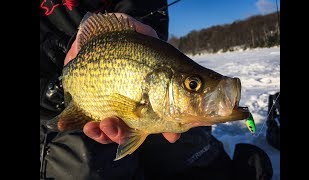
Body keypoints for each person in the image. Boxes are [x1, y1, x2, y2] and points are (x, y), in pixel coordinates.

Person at [40, 0, 273, 179]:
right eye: (193, 85)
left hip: (144, 83)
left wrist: (134, 19)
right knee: (87, 169)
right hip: (50, 101)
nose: (196, 88)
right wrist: (50, 90)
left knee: (197, 157)